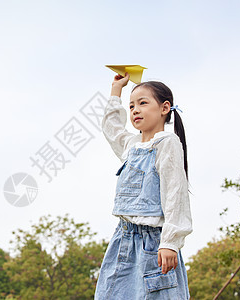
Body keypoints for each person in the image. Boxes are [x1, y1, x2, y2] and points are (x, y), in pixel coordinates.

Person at [94, 72, 193, 299]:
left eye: (142, 103)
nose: (135, 110)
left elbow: (175, 193)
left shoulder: (167, 143)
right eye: (131, 107)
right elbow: (112, 129)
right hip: (123, 240)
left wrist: (170, 242)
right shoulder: (132, 145)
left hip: (153, 244)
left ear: (164, 108)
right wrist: (116, 90)